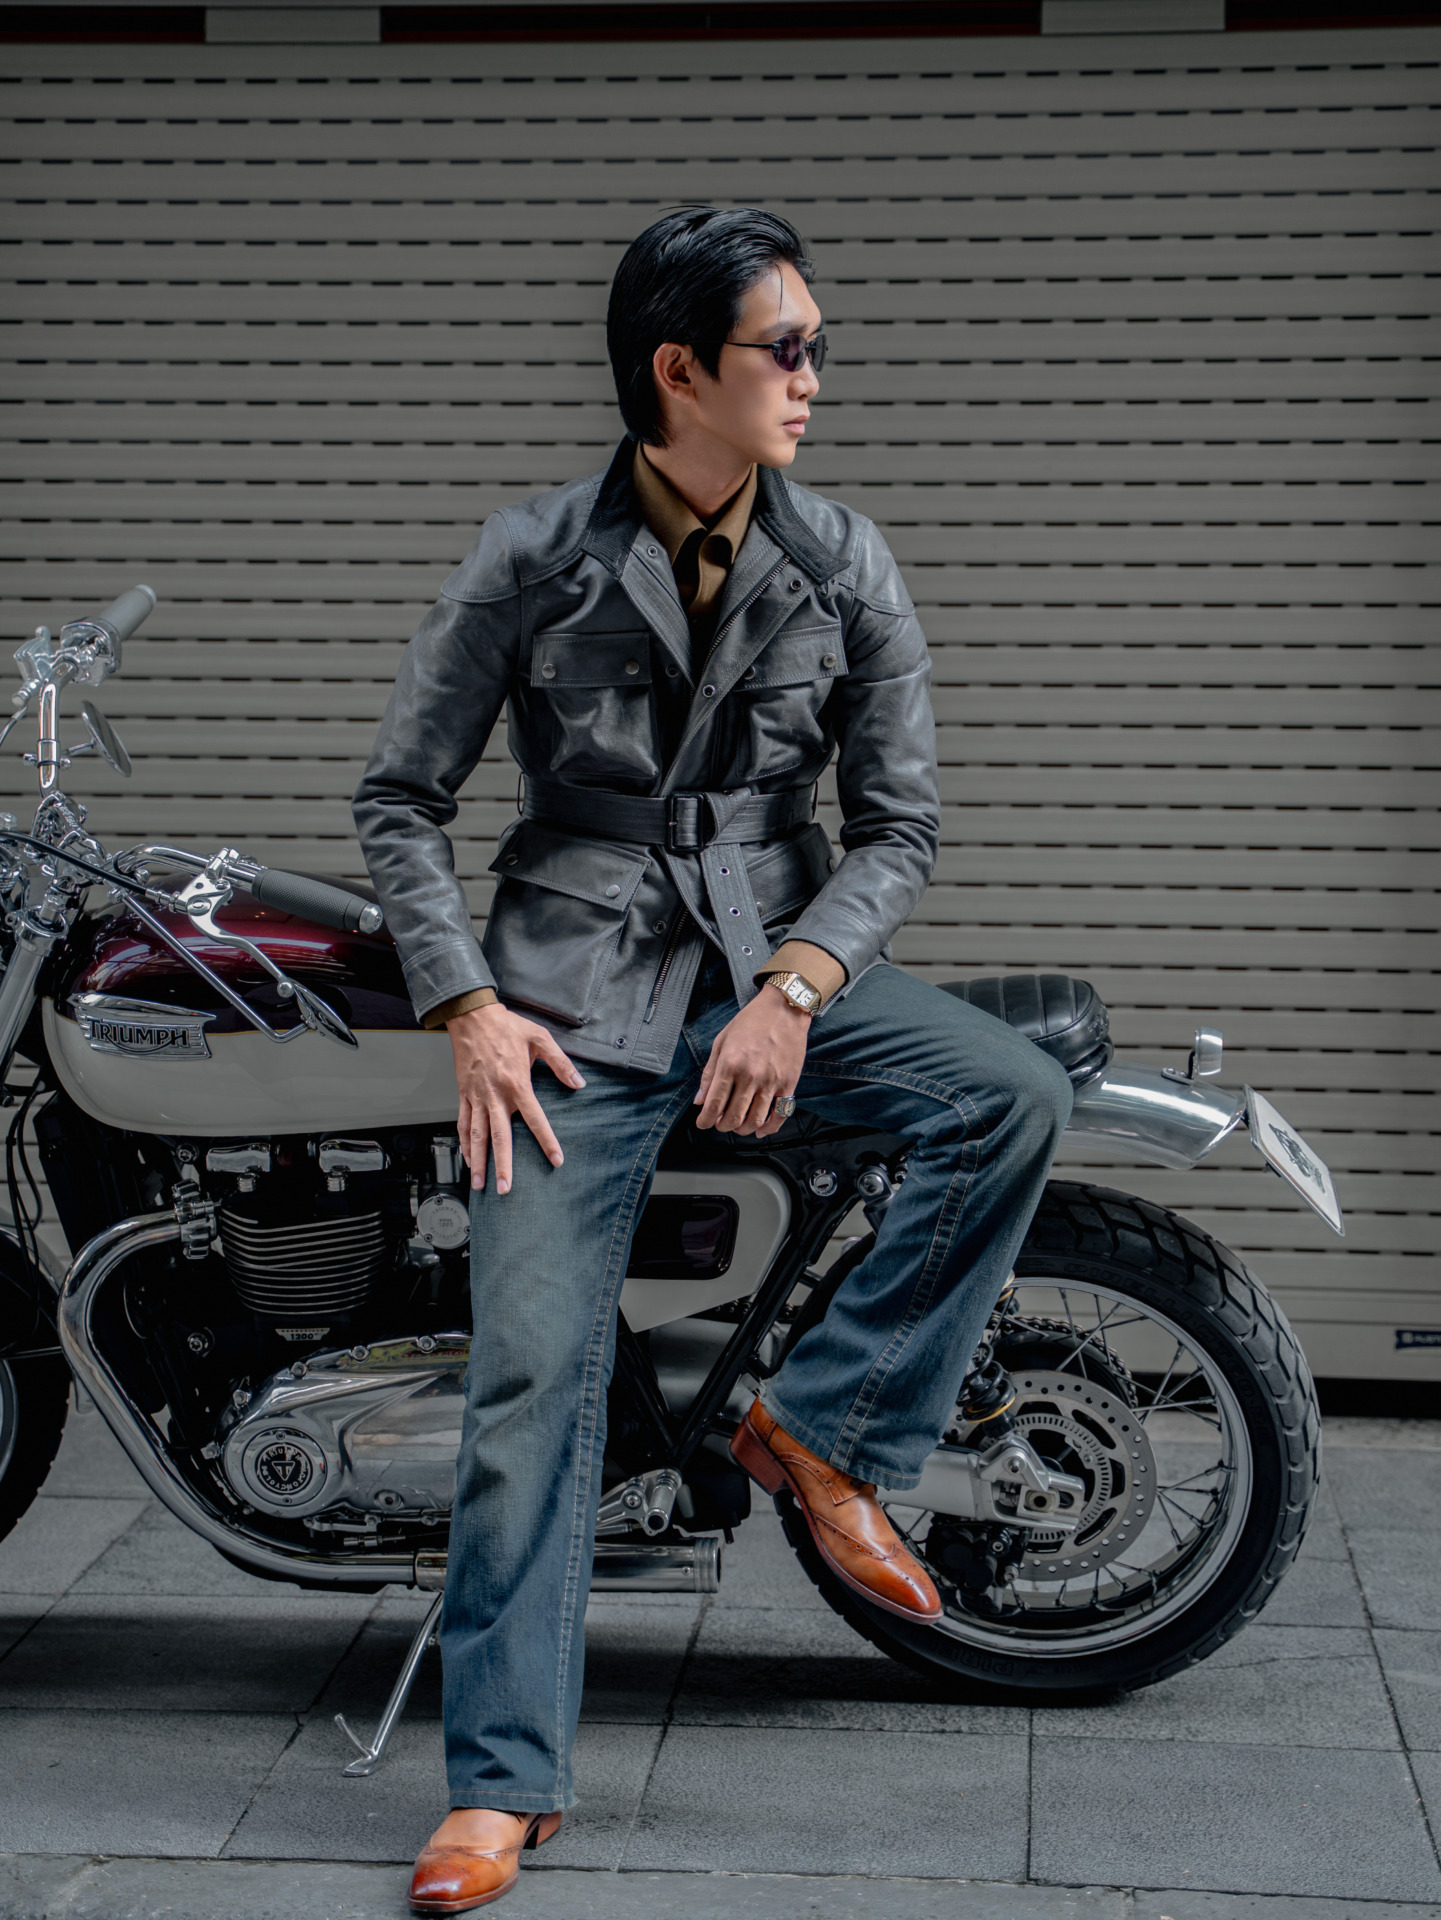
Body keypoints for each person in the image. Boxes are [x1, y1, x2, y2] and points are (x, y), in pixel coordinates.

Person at [354, 205, 1072, 1913]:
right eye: (787, 349)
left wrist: (799, 985)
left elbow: (898, 826)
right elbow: (398, 800)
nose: (815, 377)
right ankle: (500, 1782)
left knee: (1006, 1094)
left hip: (768, 962)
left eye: (817, 346)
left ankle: (819, 1431)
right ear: (679, 371)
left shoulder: (843, 558)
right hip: (565, 998)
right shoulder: (531, 554)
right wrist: (468, 1007)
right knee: (531, 1377)